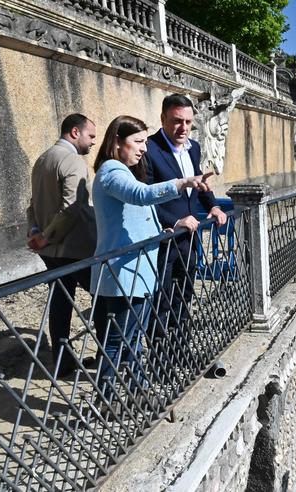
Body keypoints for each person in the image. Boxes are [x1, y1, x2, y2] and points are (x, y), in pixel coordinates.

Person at [90, 115, 211, 399]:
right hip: (124, 272)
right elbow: (140, 196)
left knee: (131, 338)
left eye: (145, 141)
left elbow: (138, 216)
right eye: (138, 142)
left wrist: (168, 227)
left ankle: (139, 391)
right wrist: (183, 183)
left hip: (137, 271)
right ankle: (104, 398)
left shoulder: (122, 171)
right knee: (117, 340)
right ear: (117, 142)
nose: (144, 148)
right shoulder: (111, 171)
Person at [26, 113, 106, 377]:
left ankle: (61, 362)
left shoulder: (42, 159)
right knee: (103, 300)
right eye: (91, 136)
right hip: (73, 247)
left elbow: (32, 204)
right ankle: (108, 358)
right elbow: (71, 209)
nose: (93, 142)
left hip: (50, 250)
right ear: (75, 132)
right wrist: (47, 236)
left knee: (60, 303)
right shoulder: (72, 160)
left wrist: (36, 232)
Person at [145, 94, 227, 334]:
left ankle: (181, 345)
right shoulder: (149, 149)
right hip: (164, 237)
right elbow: (144, 197)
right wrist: (174, 220)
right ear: (163, 119)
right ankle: (162, 355)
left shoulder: (194, 148)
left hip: (190, 238)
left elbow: (198, 181)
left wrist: (213, 205)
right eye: (177, 121)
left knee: (185, 292)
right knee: (162, 297)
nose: (183, 128)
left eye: (188, 122)